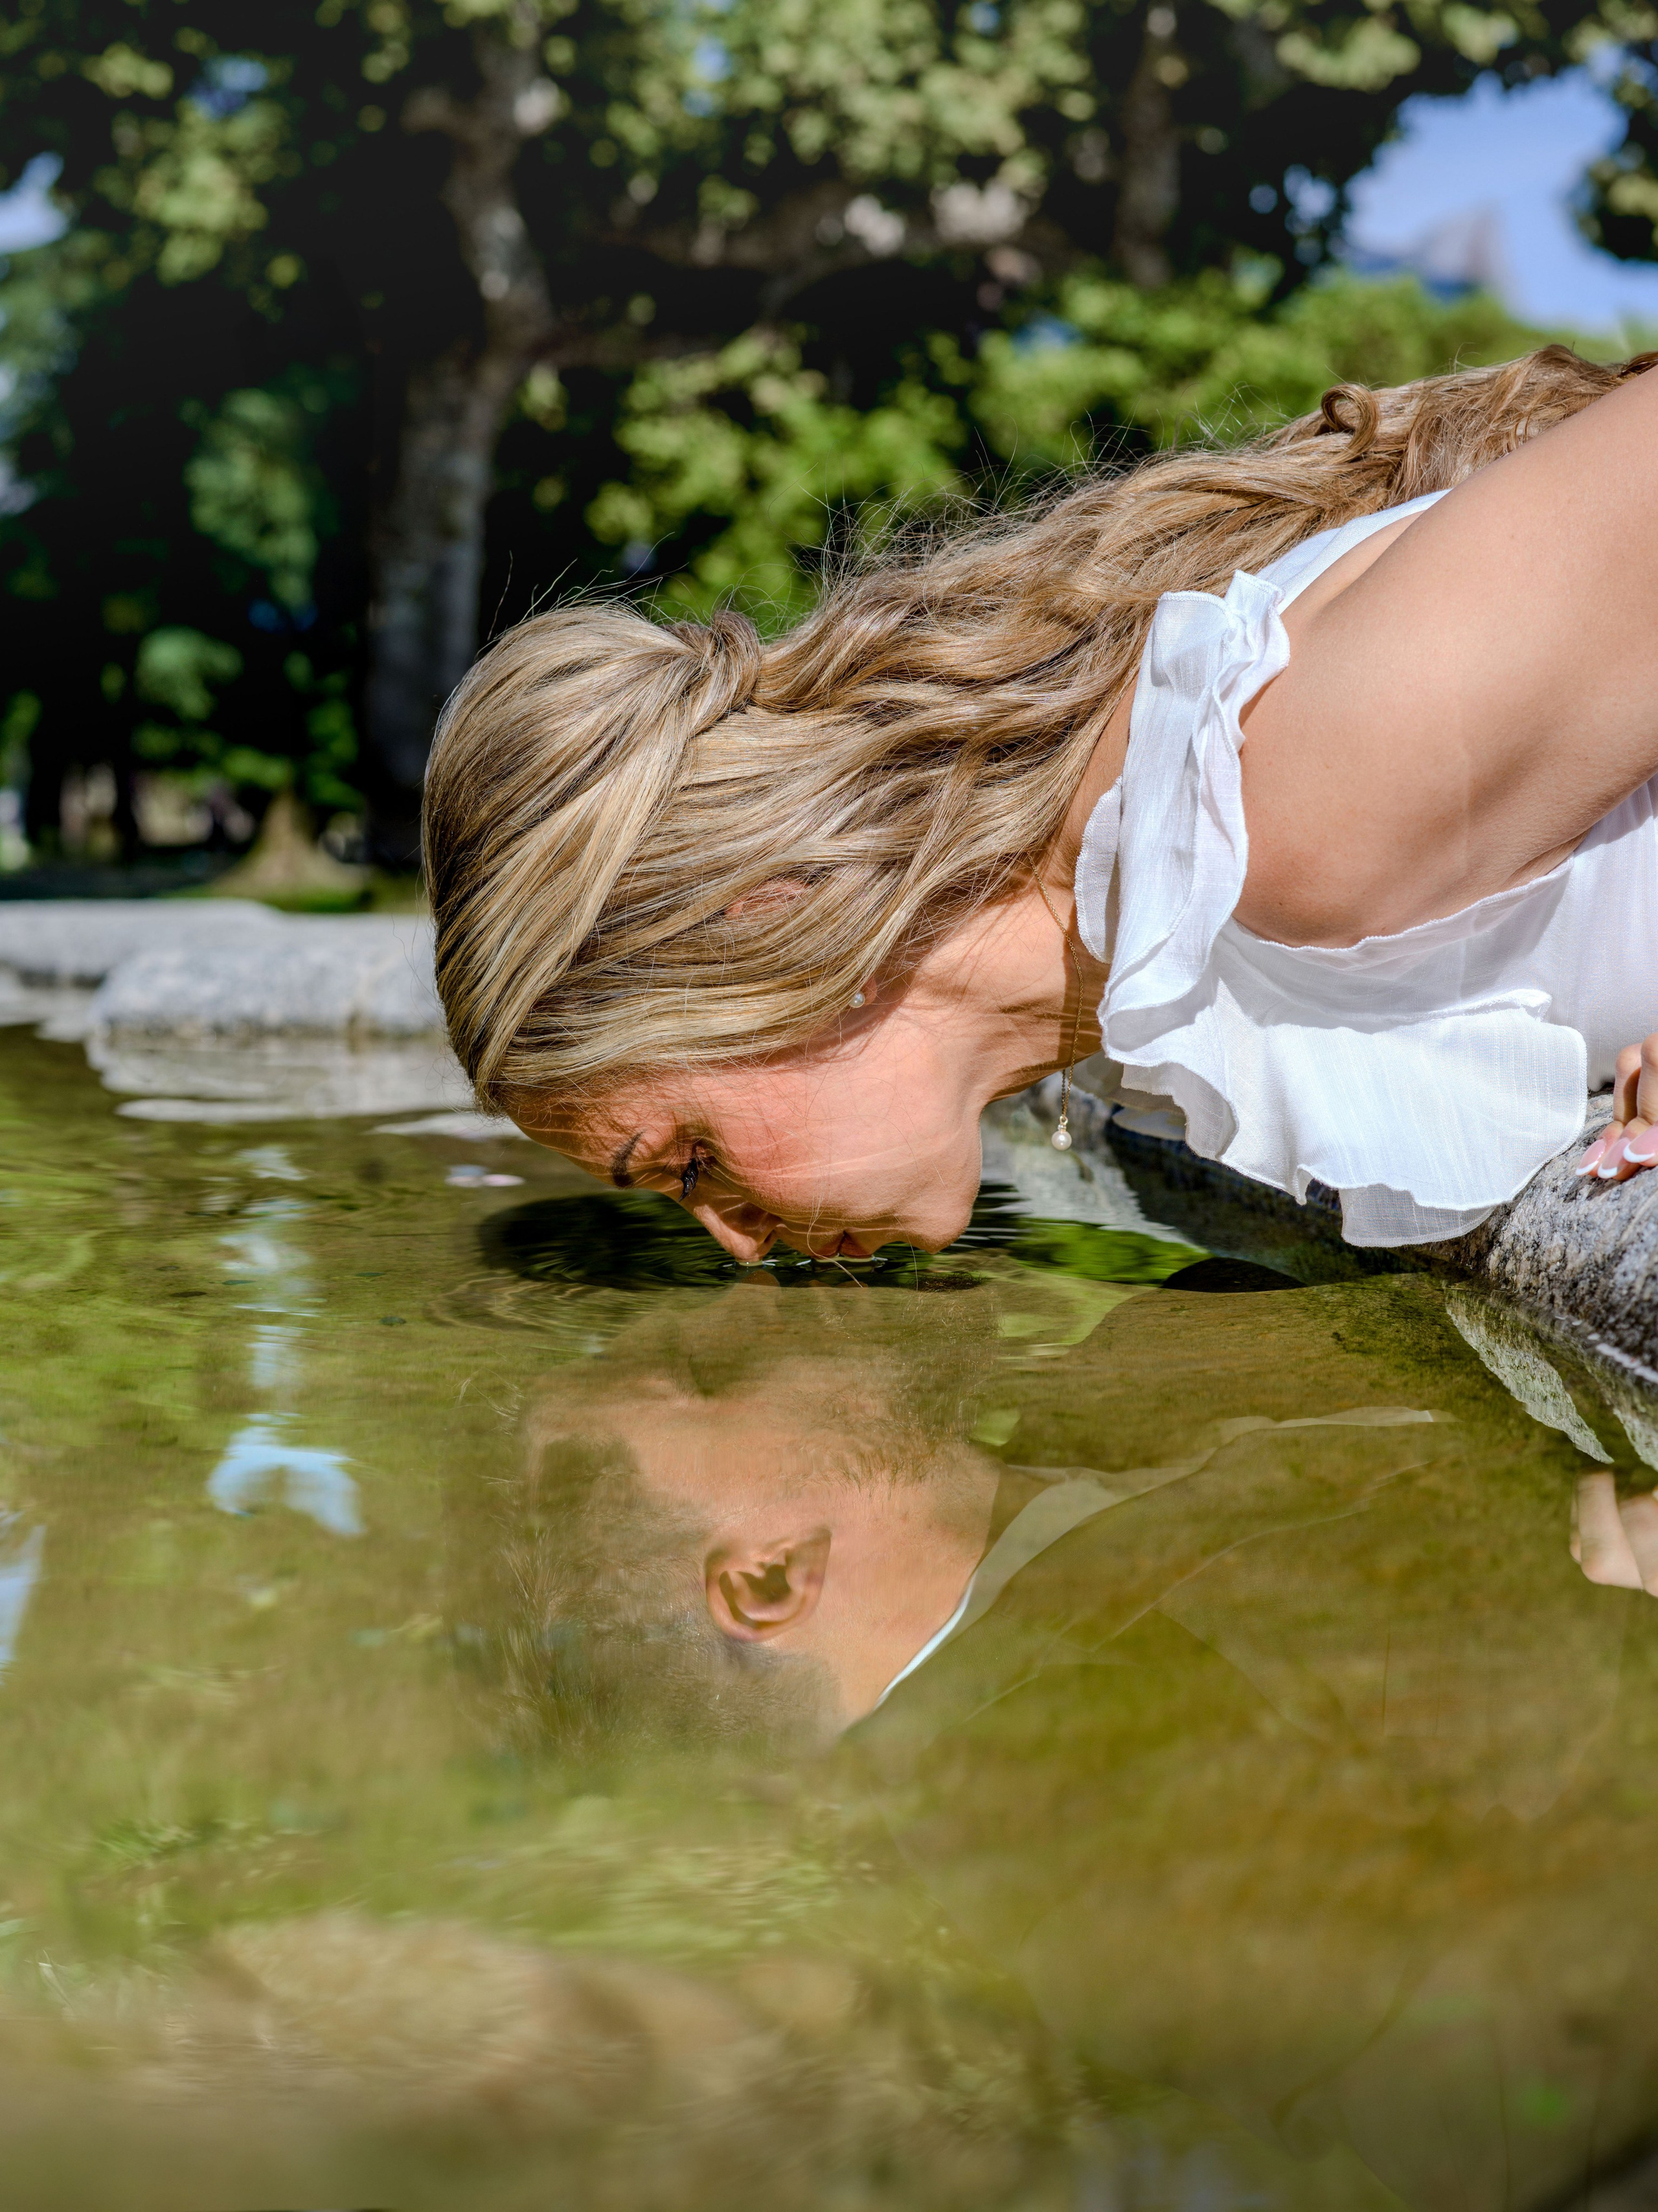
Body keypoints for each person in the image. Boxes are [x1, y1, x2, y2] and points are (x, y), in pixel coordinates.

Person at [424, 346, 1658, 1255]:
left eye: (690, 1162)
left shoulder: (1280, 819)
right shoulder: (1164, 963)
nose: (737, 1243)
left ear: (760, 921)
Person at [496, 1274, 1658, 2210]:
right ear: (770, 1579)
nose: (744, 1289)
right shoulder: (1074, 1843)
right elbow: (1538, 2107)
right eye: (714, 1369)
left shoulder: (1150, 1349)